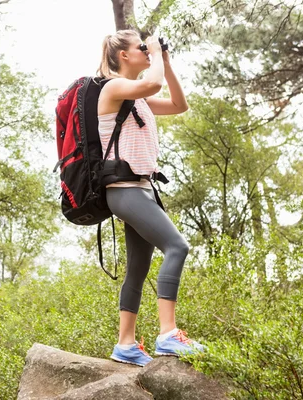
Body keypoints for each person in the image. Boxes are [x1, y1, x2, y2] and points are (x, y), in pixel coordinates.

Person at [97, 30, 206, 367]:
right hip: (124, 191)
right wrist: (156, 55)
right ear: (124, 56)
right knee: (178, 247)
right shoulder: (112, 88)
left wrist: (166, 61)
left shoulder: (139, 99)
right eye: (140, 48)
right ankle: (168, 334)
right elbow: (153, 84)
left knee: (138, 268)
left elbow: (178, 104)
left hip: (142, 190)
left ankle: (125, 344)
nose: (147, 52)